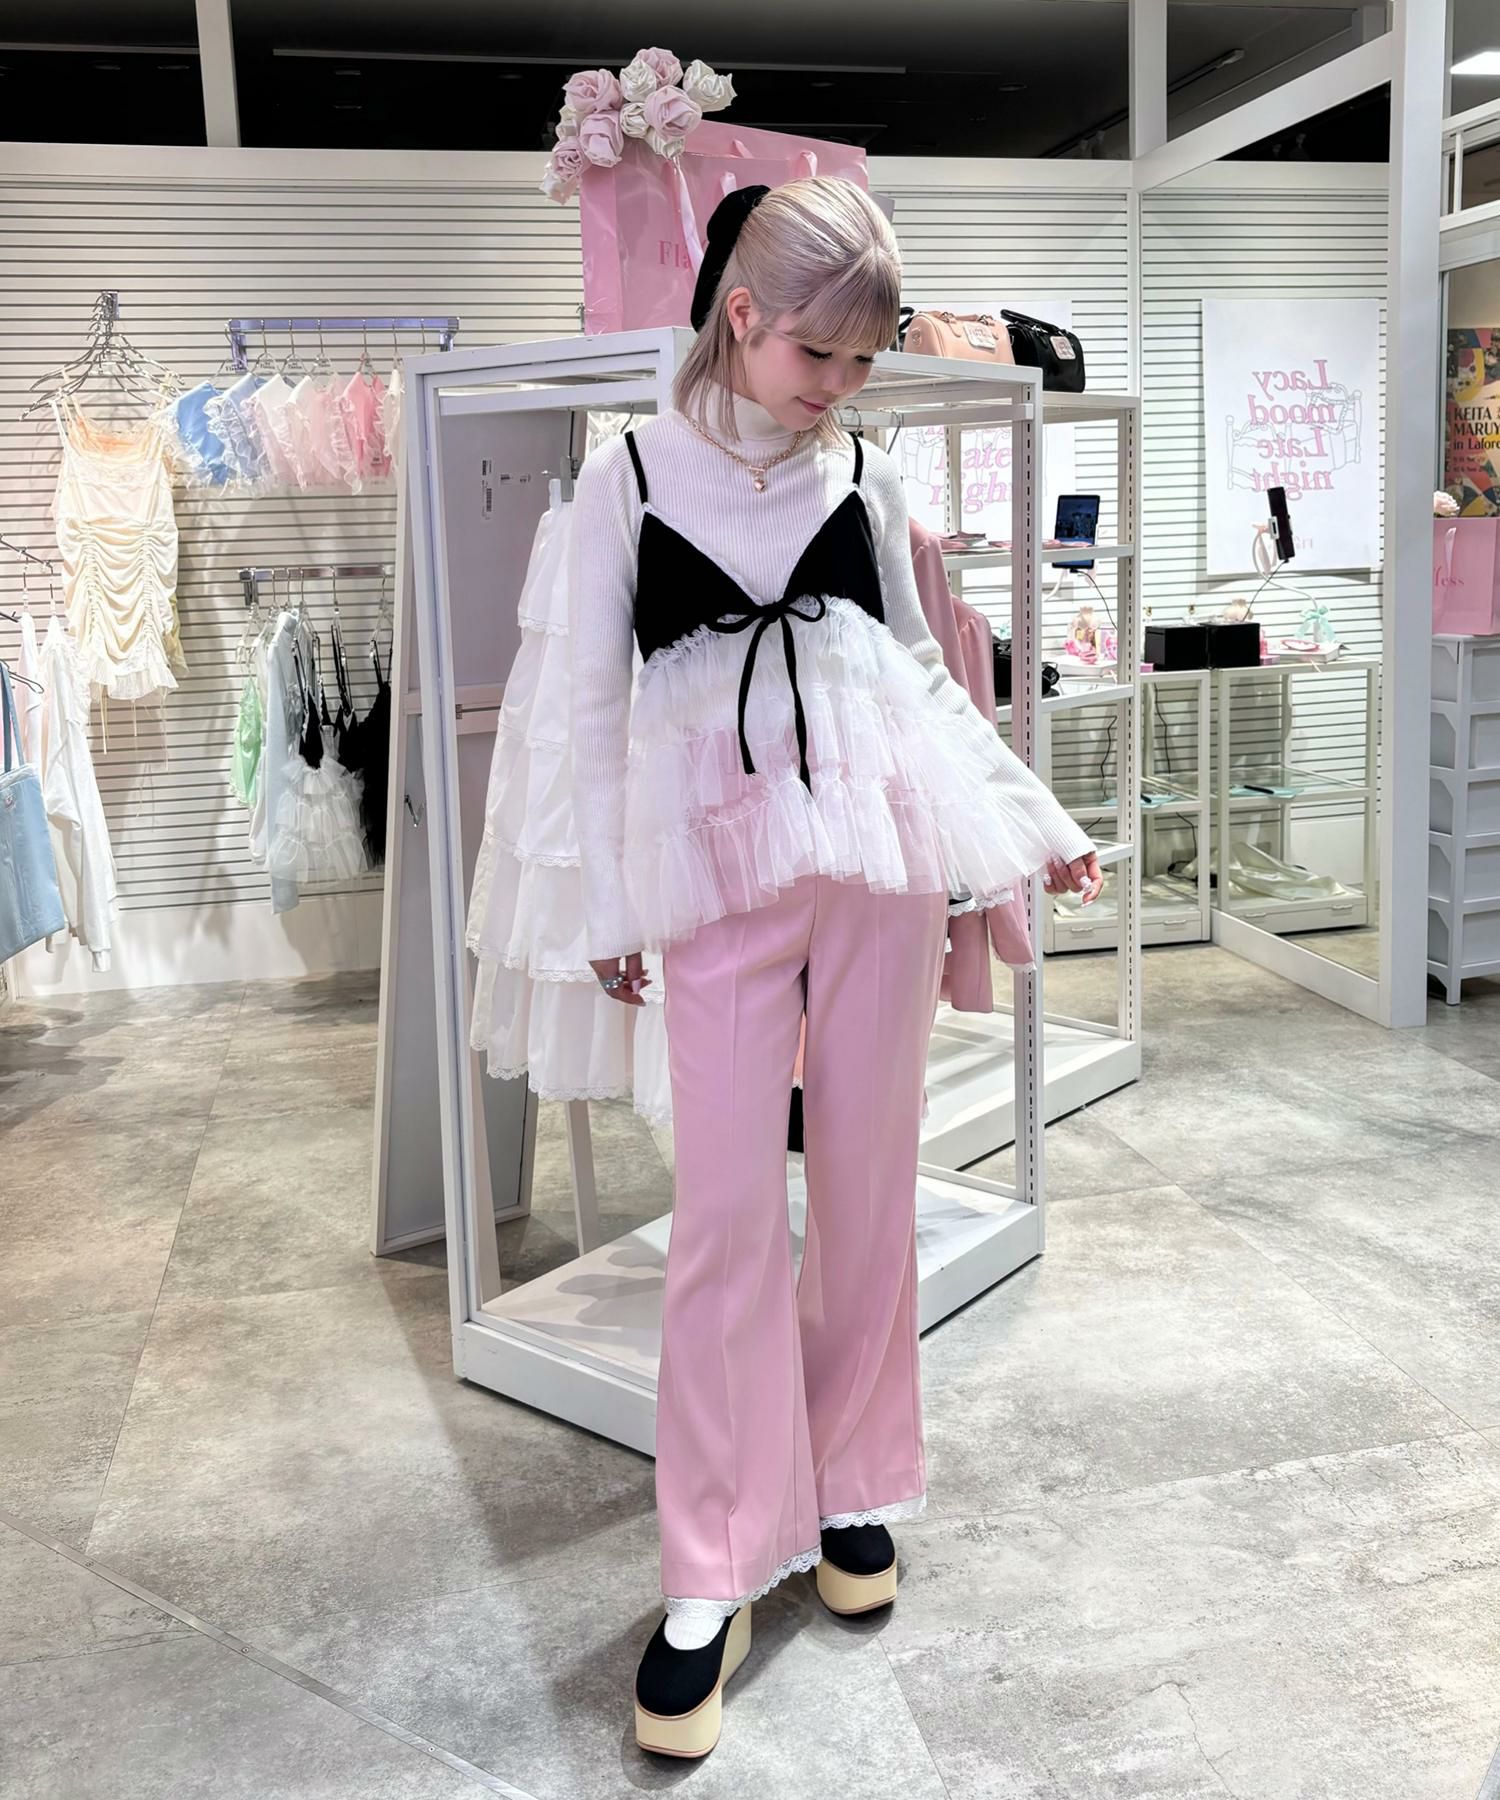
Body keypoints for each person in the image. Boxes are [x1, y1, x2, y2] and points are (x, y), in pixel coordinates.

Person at [568, 176, 1102, 1759]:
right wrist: (605, 901)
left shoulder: (863, 476)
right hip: (716, 887)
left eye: (865, 361)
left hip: (873, 870)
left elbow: (923, 680)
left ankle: (854, 1486)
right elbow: (583, 712)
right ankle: (712, 1562)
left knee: (869, 1187)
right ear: (742, 315)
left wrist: (1027, 818)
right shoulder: (626, 480)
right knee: (725, 1217)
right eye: (822, 354)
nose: (843, 386)